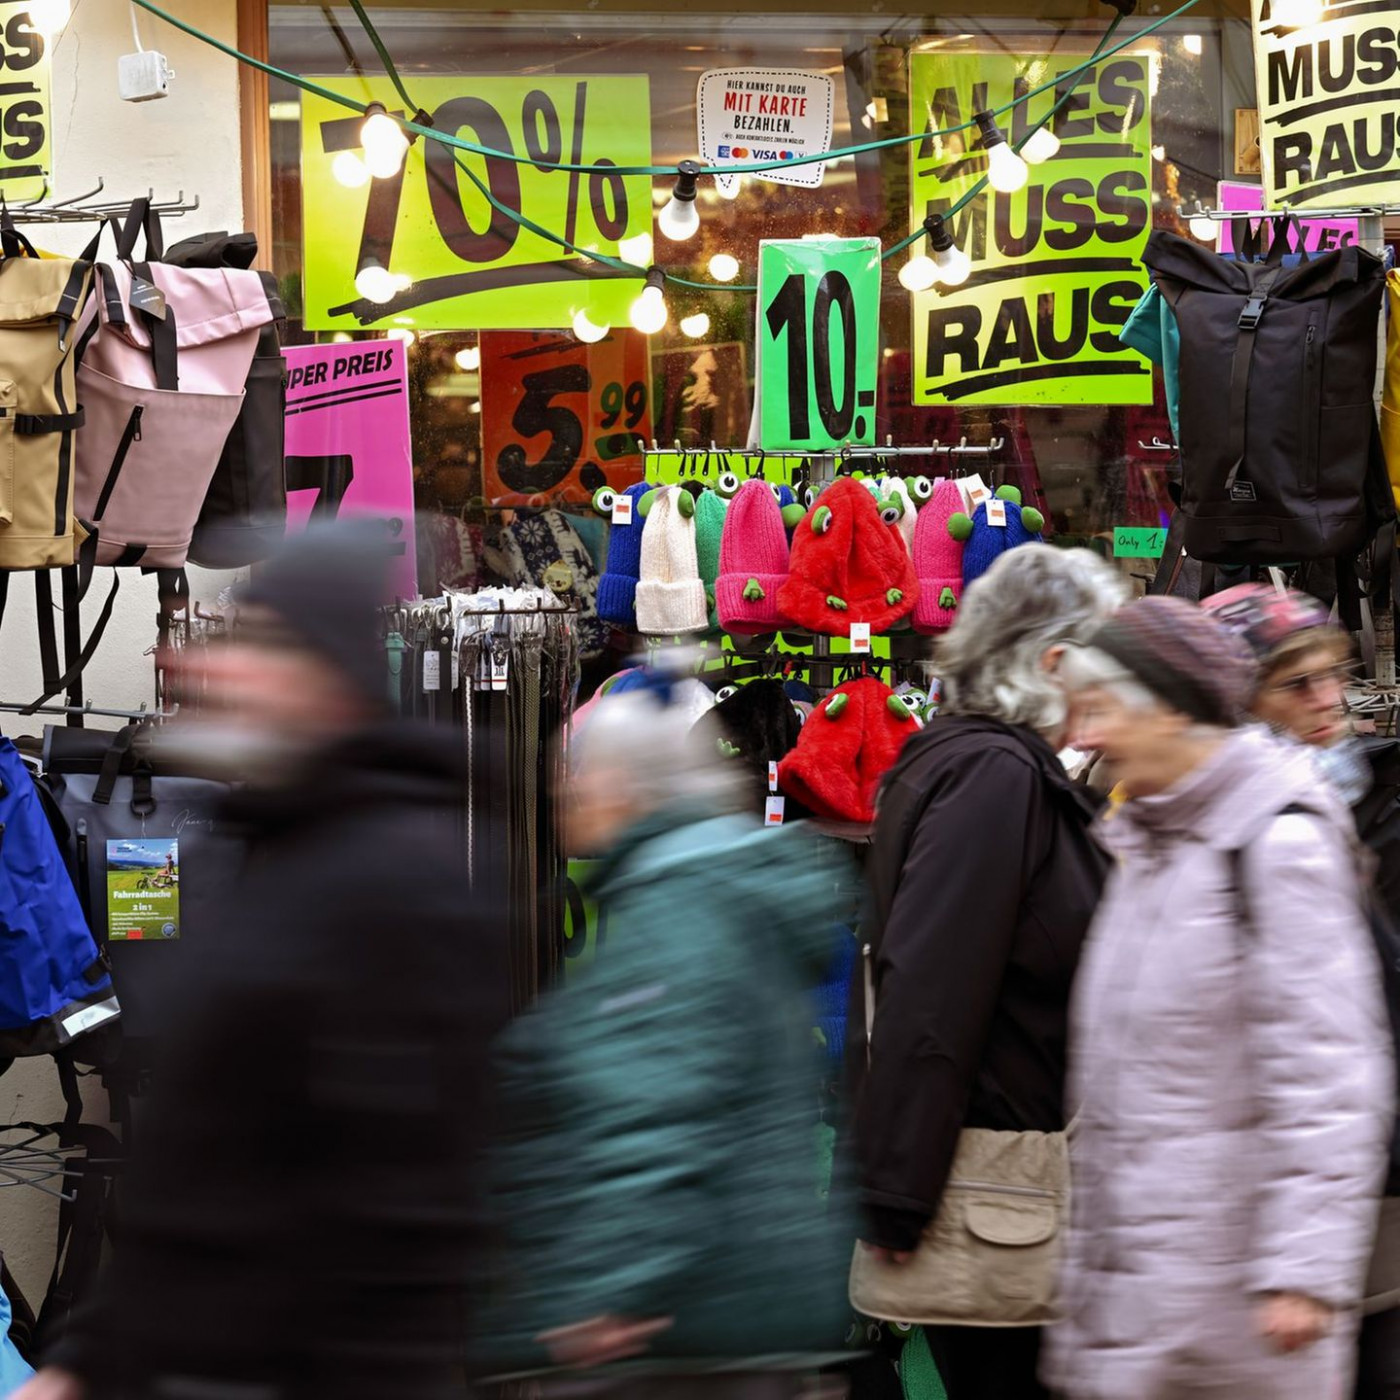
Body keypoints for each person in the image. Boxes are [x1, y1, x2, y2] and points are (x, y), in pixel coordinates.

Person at [16, 527, 503, 1400]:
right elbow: (203, 1162)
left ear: (327, 677)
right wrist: (92, 1357)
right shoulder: (282, 851)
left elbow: (393, 1204)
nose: (224, 672)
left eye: (266, 649)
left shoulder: (393, 879)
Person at [1047, 596, 1394, 1400]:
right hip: (1145, 1309)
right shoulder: (1150, 845)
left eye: (1100, 709)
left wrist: (1302, 1271)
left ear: (1169, 711)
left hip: (1236, 1321)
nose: (1083, 736)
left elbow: (1331, 1074)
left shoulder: (1275, 844)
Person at [481, 679, 855, 1399]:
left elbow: (657, 1115)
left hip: (682, 1328)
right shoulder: (708, 887)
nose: (564, 788)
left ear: (622, 783)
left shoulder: (679, 909)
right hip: (736, 1306)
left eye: (577, 769)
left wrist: (608, 1288)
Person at [851, 545, 1128, 1400]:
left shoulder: (974, 764)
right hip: (998, 1206)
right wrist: (897, 1197)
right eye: (1102, 662)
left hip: (1008, 1196)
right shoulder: (994, 777)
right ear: (1052, 661)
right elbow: (931, 990)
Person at [1200, 582, 1400, 1399]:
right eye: (1296, 682)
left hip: (1367, 1184)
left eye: (1334, 674)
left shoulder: (1375, 801)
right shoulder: (1204, 835)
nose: (1330, 700)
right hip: (1255, 1206)